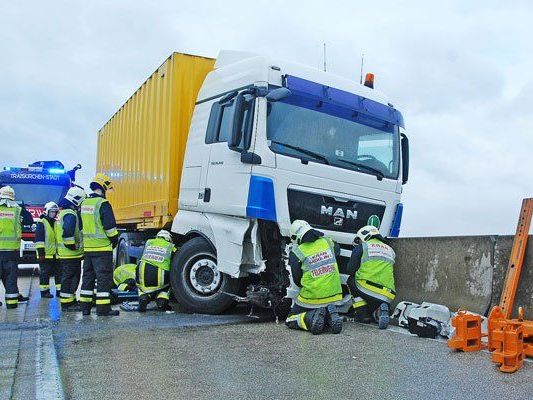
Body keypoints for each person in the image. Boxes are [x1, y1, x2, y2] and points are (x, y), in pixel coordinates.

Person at [285, 220, 343, 335]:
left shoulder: (296, 251)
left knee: (290, 319)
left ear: (296, 236)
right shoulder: (327, 241)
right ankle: (329, 316)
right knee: (321, 309)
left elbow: (297, 280)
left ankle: (310, 319)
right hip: (335, 296)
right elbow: (337, 251)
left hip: (312, 297)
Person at [80, 173, 120, 316]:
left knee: (88, 278)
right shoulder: (102, 204)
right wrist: (114, 241)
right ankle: (103, 309)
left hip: (88, 249)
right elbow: (110, 228)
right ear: (102, 188)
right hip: (102, 249)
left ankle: (85, 307)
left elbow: (80, 226)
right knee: (103, 278)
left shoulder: (84, 203)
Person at [346, 225, 396, 329]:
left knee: (351, 280)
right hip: (388, 293)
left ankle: (363, 315)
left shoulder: (363, 247)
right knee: (374, 297)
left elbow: (350, 270)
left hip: (367, 288)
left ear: (364, 236)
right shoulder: (391, 250)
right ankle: (381, 308)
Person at [0, 186, 32, 308]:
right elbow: (28, 221)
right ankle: (12, 303)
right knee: (10, 278)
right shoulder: (17, 210)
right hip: (11, 252)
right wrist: (23, 207)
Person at [56, 186, 86, 311]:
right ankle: (67, 304)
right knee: (71, 278)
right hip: (70, 254)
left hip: (66, 254)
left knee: (68, 278)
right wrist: (73, 246)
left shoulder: (64, 212)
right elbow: (68, 233)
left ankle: (70, 301)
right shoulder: (70, 214)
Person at [35, 202, 60, 298]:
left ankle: (59, 291)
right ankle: (44, 292)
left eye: (55, 212)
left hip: (56, 254)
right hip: (45, 255)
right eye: (52, 212)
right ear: (46, 212)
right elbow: (39, 240)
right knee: (44, 274)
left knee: (59, 274)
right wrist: (41, 254)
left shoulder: (56, 223)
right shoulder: (42, 223)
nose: (53, 214)